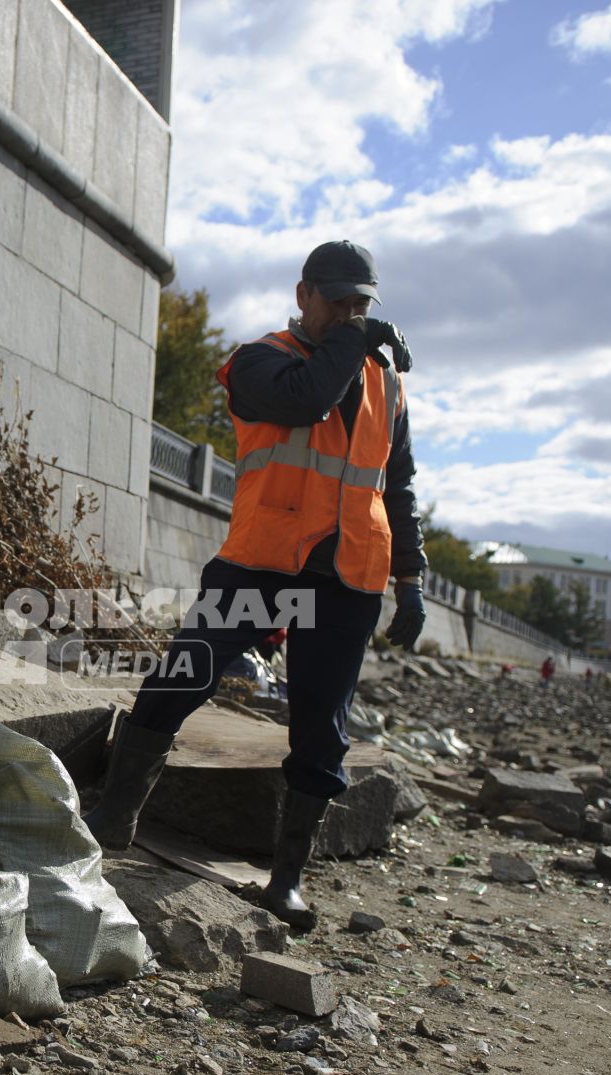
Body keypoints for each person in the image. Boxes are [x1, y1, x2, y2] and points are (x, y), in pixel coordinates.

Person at [84, 240, 424, 933]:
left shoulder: (386, 387)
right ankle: (115, 815)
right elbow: (304, 402)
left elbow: (399, 485)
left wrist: (411, 580)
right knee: (184, 674)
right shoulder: (258, 361)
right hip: (262, 563)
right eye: (340, 302)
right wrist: (354, 342)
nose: (352, 315)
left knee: (321, 727)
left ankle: (287, 878)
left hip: (347, 577)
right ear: (304, 296)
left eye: (363, 304)